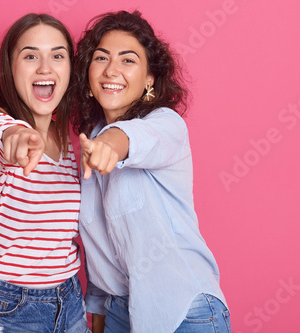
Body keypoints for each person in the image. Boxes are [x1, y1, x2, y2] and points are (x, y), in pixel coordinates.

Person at [72, 10, 230, 333]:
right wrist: (98, 315)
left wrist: (110, 147)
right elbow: (101, 250)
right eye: (101, 58)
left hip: (184, 311)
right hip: (118, 313)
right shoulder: (90, 143)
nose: (112, 70)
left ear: (149, 80)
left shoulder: (166, 126)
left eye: (128, 60)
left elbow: (133, 140)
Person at [0, 13, 89, 333]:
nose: (45, 67)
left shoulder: (70, 140)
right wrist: (14, 140)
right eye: (30, 56)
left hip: (69, 299)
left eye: (57, 55)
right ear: (8, 69)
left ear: (70, 68)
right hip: (3, 306)